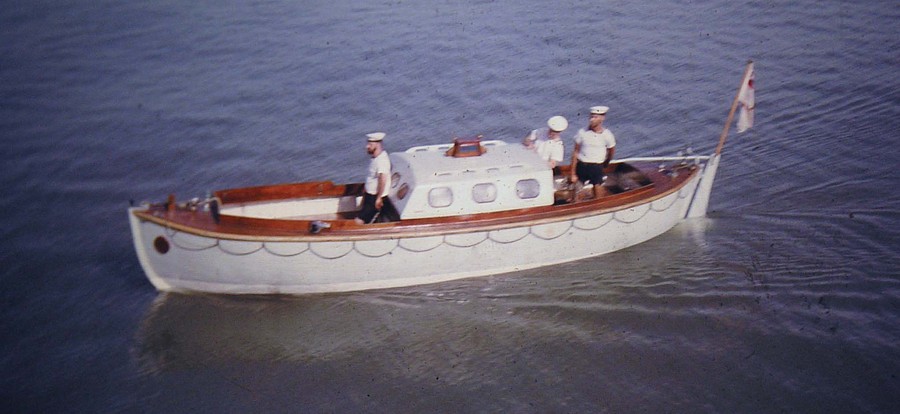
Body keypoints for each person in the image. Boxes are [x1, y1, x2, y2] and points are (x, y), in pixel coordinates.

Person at [570, 106, 616, 198]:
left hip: (596, 167)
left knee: (598, 191)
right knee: (577, 192)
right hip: (582, 165)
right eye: (591, 117)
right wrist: (573, 173)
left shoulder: (607, 135)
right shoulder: (582, 132)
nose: (592, 120)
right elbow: (575, 152)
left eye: (595, 117)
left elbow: (611, 151)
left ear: (602, 118)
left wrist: (606, 162)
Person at [355, 132, 392, 224]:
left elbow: (383, 179)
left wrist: (379, 198)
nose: (367, 146)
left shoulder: (382, 161)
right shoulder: (375, 158)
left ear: (378, 145)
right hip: (369, 196)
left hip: (374, 198)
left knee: (358, 221)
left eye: (370, 144)